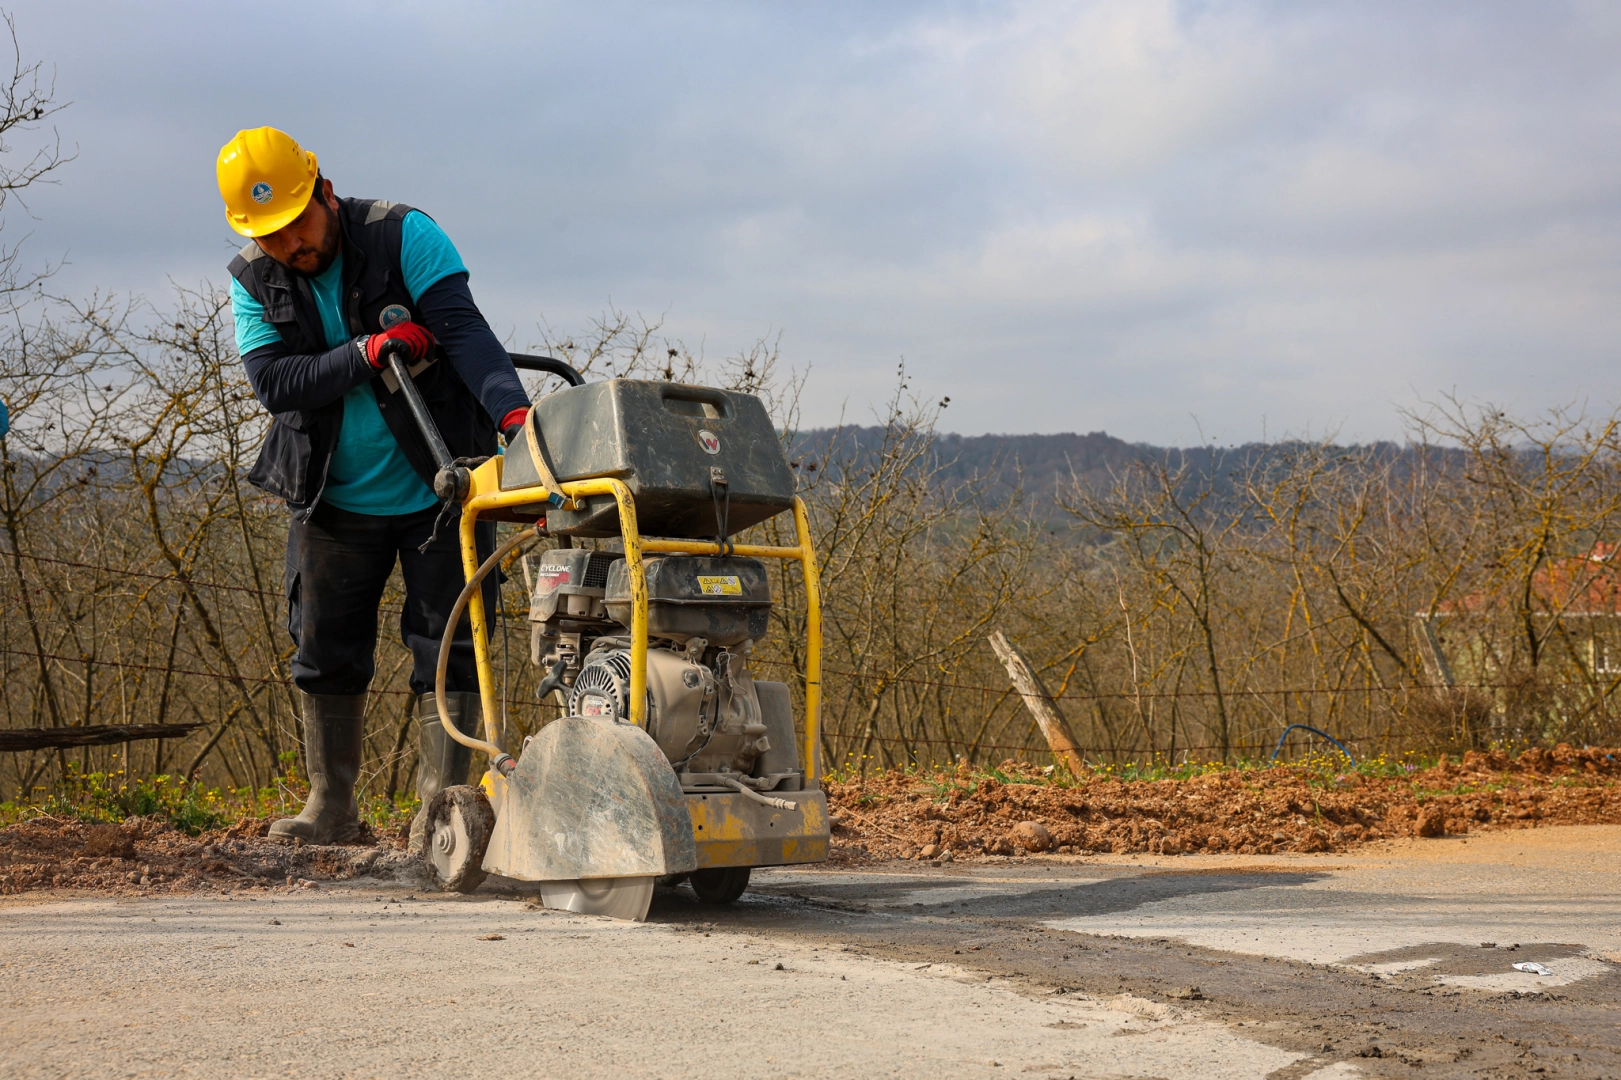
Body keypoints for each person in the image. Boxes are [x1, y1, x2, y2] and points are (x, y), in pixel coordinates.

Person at [218, 127, 529, 849]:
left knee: (448, 645)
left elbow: (465, 334)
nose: (291, 244)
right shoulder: (250, 280)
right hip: (329, 495)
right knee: (323, 649)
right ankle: (330, 805)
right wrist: (367, 352)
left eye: (299, 222)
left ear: (324, 191)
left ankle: (439, 815)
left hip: (439, 487)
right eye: (271, 236)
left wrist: (515, 419)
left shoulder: (403, 235)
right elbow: (275, 383)